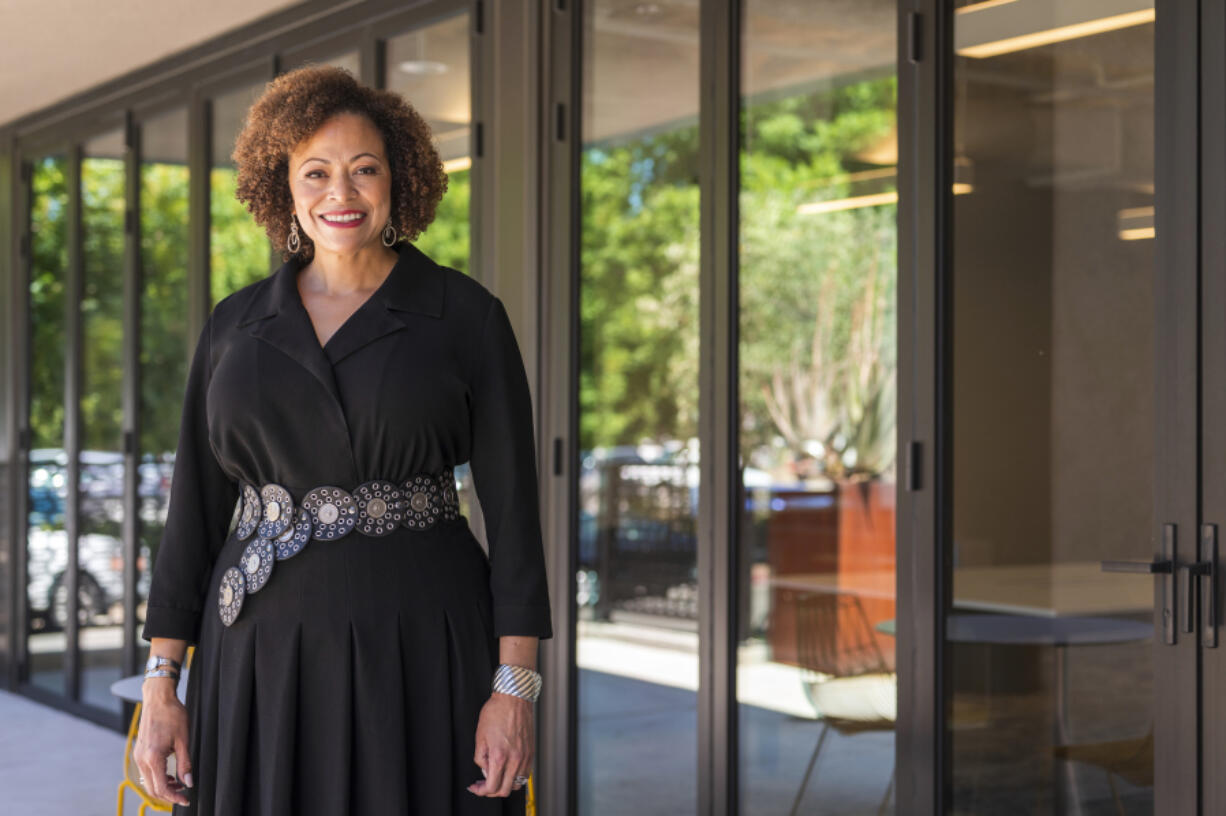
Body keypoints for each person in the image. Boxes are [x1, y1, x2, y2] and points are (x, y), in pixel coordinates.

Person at [133, 64, 553, 815]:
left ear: (400, 179)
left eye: (365, 170)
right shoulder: (233, 325)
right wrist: (161, 683)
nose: (341, 193)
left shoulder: (465, 316)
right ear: (282, 184)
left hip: (422, 647)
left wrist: (514, 686)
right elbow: (192, 512)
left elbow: (517, 515)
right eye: (316, 172)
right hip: (258, 655)